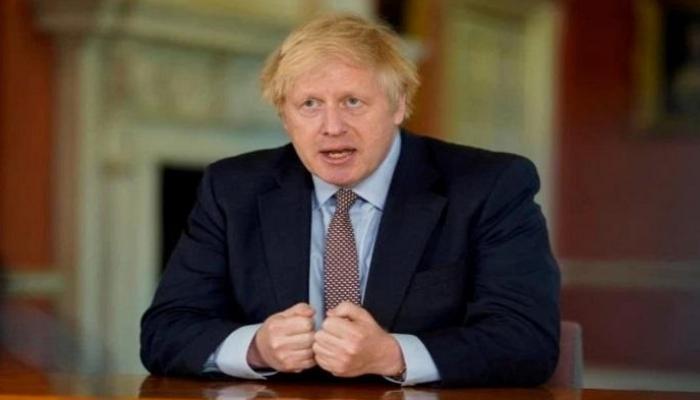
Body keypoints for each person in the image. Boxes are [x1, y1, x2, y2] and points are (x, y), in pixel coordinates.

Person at [140, 14, 560, 387]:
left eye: (352, 102)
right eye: (309, 104)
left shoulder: (489, 186)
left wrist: (392, 354)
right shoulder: (232, 189)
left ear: (399, 105)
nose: (332, 127)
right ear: (285, 117)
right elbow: (165, 331)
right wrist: (256, 348)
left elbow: (526, 340)